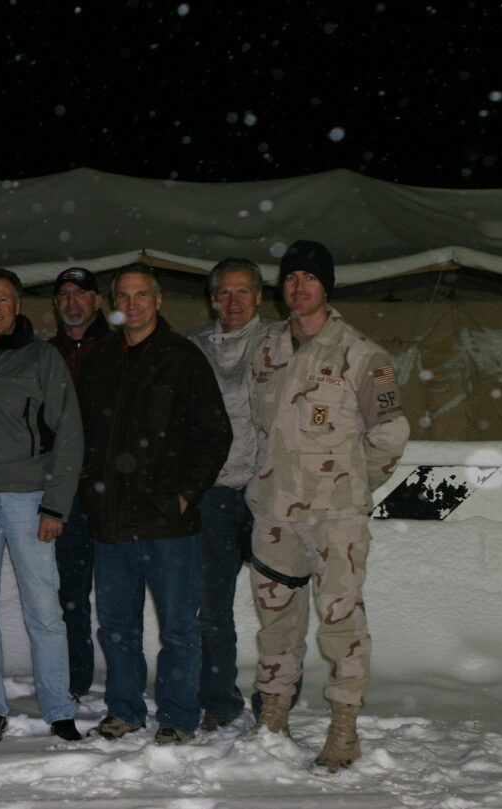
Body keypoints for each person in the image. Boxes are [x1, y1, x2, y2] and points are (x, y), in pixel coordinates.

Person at [246, 239, 409, 771]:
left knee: (340, 621)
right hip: (275, 515)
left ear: (326, 286)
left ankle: (344, 728)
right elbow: (258, 426)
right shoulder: (267, 349)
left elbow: (390, 434)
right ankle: (273, 715)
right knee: (276, 621)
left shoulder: (360, 354)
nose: (299, 287)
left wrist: (354, 490)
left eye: (309, 278)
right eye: (291, 278)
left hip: (335, 517)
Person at [78, 262, 231, 745]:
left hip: (169, 523)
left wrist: (185, 494)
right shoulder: (101, 358)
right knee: (117, 626)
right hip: (112, 522)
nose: (132, 304)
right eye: (123, 296)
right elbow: (79, 434)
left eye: (141, 295)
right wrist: (88, 486)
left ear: (158, 300)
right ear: (112, 304)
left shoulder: (183, 358)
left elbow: (214, 434)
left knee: (180, 629)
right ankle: (124, 710)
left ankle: (178, 716)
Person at [0, 267, 83, 742]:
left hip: (28, 498)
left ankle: (58, 708)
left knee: (43, 607)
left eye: (3, 300)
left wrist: (56, 506)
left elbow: (69, 433)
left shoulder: (42, 357)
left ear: (18, 305)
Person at [184, 258, 276, 731]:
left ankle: (276, 704)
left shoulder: (282, 342)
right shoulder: (192, 347)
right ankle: (219, 700)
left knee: (279, 605)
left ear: (259, 297)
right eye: (224, 293)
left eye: (243, 292)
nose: (233, 301)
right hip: (215, 493)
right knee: (211, 604)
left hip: (270, 491)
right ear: (212, 297)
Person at [46, 266, 110, 702]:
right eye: (65, 294)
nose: (72, 301)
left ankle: (123, 684)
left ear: (98, 302)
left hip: (115, 492)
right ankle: (75, 680)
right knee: (71, 594)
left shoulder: (121, 347)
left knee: (117, 594)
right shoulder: (44, 354)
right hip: (66, 492)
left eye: (81, 293)